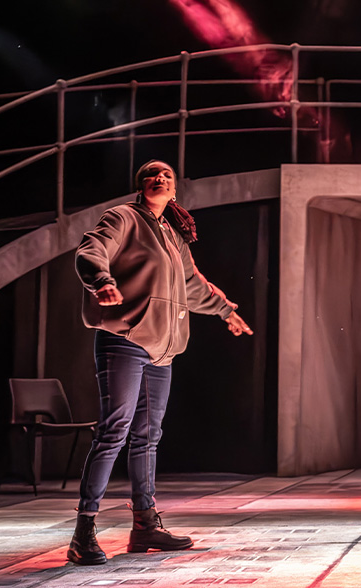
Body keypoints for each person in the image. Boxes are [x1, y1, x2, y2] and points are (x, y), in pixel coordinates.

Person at [67, 160, 253, 565]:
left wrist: (225, 312)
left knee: (148, 436)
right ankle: (84, 530)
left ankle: (145, 525)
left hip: (162, 350)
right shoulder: (123, 218)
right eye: (151, 174)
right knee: (114, 430)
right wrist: (102, 280)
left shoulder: (173, 236)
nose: (159, 178)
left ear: (174, 192)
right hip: (125, 340)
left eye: (167, 176)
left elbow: (192, 285)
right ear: (141, 186)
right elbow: (90, 250)